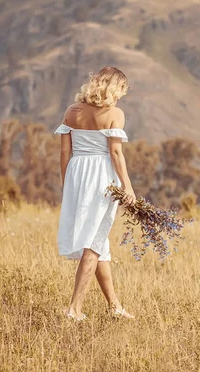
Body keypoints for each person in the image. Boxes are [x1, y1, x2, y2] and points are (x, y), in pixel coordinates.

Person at [54, 66, 136, 321]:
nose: (122, 96)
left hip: (76, 175)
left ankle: (115, 307)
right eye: (121, 90)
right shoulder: (115, 114)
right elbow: (115, 153)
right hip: (101, 178)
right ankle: (74, 309)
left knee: (100, 242)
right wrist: (128, 186)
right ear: (113, 88)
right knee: (93, 243)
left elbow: (64, 153)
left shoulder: (72, 111)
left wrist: (67, 183)